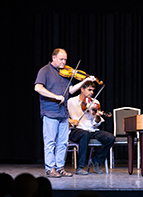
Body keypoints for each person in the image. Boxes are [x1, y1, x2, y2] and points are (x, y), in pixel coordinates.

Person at [34, 48, 96, 178]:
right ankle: (50, 169)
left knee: (63, 142)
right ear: (54, 58)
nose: (64, 62)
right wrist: (55, 97)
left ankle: (59, 167)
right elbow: (38, 87)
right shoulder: (44, 71)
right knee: (50, 142)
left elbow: (71, 90)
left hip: (63, 113)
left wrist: (84, 81)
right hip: (50, 112)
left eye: (65, 59)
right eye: (61, 59)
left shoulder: (64, 74)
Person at [68, 81, 115, 175]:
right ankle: (80, 167)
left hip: (91, 130)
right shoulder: (71, 101)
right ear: (82, 89)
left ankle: (96, 160)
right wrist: (71, 121)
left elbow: (96, 123)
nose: (92, 93)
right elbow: (63, 116)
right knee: (85, 134)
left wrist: (97, 116)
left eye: (93, 90)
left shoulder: (95, 103)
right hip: (76, 130)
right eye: (89, 90)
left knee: (110, 138)